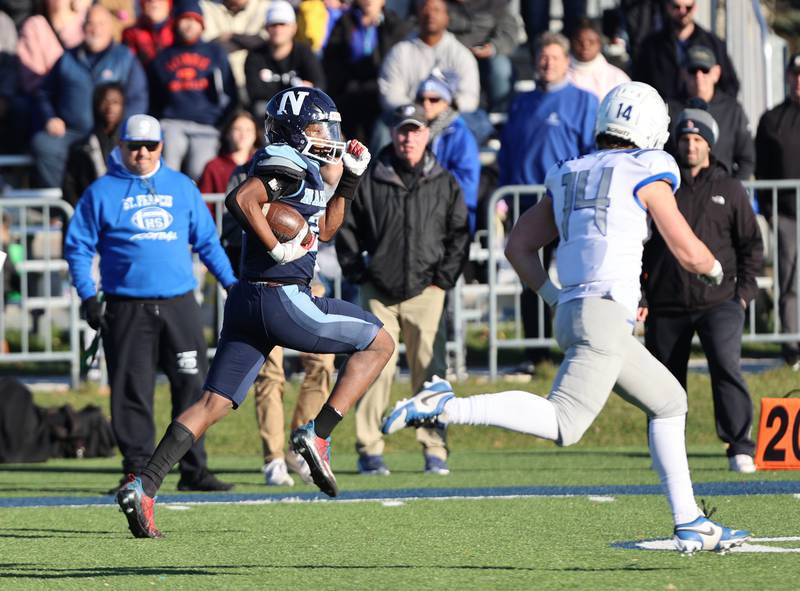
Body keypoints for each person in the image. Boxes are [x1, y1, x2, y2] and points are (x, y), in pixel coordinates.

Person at [382, 81, 751, 555]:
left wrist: (553, 296)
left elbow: (518, 245)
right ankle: (445, 405)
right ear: (647, 126)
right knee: (564, 423)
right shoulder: (648, 167)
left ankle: (690, 521)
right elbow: (684, 246)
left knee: (669, 401)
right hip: (603, 316)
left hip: (576, 310)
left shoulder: (573, 170)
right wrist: (715, 269)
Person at [115, 88, 395, 538]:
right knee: (380, 342)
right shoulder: (282, 158)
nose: (328, 135)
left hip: (250, 301)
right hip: (281, 296)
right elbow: (241, 199)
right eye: (318, 127)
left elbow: (325, 230)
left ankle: (144, 487)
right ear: (293, 131)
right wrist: (277, 246)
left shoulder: (304, 167)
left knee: (213, 402)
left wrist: (348, 183)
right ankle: (318, 435)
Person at [64, 114, 237, 494]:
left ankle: (193, 468)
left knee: (193, 386)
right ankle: (138, 472)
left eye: (150, 146)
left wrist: (232, 285)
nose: (142, 153)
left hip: (178, 302)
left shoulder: (181, 187)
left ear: (161, 146)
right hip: (127, 305)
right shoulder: (101, 192)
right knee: (131, 391)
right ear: (120, 146)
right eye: (134, 146)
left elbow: (207, 242)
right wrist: (88, 295)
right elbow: (77, 247)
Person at [336, 103, 470, 475]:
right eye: (402, 130)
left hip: (427, 291)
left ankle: (434, 447)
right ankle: (369, 449)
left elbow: (459, 233)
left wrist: (443, 279)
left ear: (427, 134)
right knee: (374, 370)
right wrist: (357, 270)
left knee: (431, 373)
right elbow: (345, 223)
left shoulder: (444, 180)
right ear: (393, 133)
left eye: (415, 130)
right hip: (379, 292)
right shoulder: (371, 175)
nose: (408, 137)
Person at [641, 105, 763, 473]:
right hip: (667, 302)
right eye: (684, 139)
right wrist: (643, 295)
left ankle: (739, 444)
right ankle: (666, 450)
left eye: (697, 140)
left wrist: (742, 296)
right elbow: (640, 245)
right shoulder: (660, 186)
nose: (690, 146)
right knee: (662, 381)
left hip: (720, 301)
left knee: (726, 368)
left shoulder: (729, 188)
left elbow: (751, 247)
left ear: (709, 146)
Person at [498, 31, 597, 374]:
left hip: (568, 202)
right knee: (532, 279)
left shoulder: (584, 101)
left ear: (567, 62)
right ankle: (535, 352)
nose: (547, 63)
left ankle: (578, 347)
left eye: (554, 57)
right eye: (543, 56)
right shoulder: (521, 102)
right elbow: (508, 153)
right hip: (526, 202)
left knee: (575, 276)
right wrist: (503, 198)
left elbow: (592, 153)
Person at [31, 4, 148, 188]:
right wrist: (50, 118)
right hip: (71, 131)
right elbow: (44, 93)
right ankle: (61, 208)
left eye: (101, 24)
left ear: (110, 27)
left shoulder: (125, 58)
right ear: (83, 27)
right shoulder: (67, 58)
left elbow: (138, 99)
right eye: (90, 23)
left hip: (111, 133)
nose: (95, 29)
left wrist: (121, 128)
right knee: (44, 144)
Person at [148, 0, 238, 181]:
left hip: (207, 126)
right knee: (167, 170)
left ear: (202, 24)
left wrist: (222, 122)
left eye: (194, 19)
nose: (189, 24)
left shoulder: (216, 52)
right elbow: (153, 96)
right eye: (184, 19)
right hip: (172, 123)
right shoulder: (162, 57)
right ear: (175, 23)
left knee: (201, 172)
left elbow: (231, 91)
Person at [755, 52, 800, 371]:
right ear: (787, 76)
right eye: (795, 73)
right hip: (786, 213)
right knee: (789, 280)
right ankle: (792, 345)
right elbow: (762, 169)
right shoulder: (772, 120)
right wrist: (771, 213)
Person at [322, 0, 411, 145]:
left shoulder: (393, 25)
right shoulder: (346, 22)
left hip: (382, 94)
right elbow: (332, 61)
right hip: (350, 93)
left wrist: (380, 26)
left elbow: (396, 60)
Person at [665, 45, 754, 180]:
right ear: (683, 73)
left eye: (705, 70)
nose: (699, 76)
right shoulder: (668, 109)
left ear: (716, 73)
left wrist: (732, 191)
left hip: (721, 193)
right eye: (693, 70)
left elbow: (747, 160)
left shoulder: (732, 110)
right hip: (680, 192)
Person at [633, 0, 738, 101]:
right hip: (664, 114)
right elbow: (639, 84)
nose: (682, 12)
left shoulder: (713, 44)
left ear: (695, 7)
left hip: (703, 114)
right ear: (668, 7)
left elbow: (730, 85)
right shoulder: (651, 46)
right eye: (676, 7)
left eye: (688, 7)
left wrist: (714, 108)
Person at [416, 70, 480, 236]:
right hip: (423, 218)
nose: (426, 104)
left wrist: (427, 186)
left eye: (434, 99)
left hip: (452, 221)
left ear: (447, 102)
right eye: (421, 99)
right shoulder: (416, 132)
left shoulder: (460, 135)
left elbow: (467, 183)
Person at [244, 0, 326, 119]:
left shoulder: (304, 52)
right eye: (273, 24)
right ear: (266, 28)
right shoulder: (255, 56)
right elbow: (255, 93)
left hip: (302, 111)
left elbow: (319, 84)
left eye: (283, 24)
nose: (278, 29)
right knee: (260, 108)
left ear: (293, 28)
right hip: (269, 114)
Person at [445, 0, 519, 112]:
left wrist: (493, 47)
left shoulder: (496, 3)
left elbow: (509, 32)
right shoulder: (437, 3)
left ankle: (499, 114)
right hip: (450, 56)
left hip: (485, 55)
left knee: (500, 69)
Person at [62, 82, 125, 206]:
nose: (110, 107)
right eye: (105, 101)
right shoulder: (80, 147)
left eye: (116, 102)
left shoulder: (131, 147)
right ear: (96, 105)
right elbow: (70, 187)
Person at [200, 0, 269, 99]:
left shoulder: (264, 5)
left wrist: (232, 36)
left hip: (255, 84)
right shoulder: (207, 5)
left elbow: (264, 42)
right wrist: (246, 42)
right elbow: (207, 47)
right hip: (218, 85)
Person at [567, 18, 629, 102]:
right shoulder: (559, 74)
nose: (585, 46)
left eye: (591, 42)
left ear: (599, 43)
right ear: (571, 42)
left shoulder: (618, 78)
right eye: (579, 41)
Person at [122, 0, 174, 66]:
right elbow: (129, 65)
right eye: (149, 0)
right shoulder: (131, 33)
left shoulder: (177, 29)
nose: (154, 3)